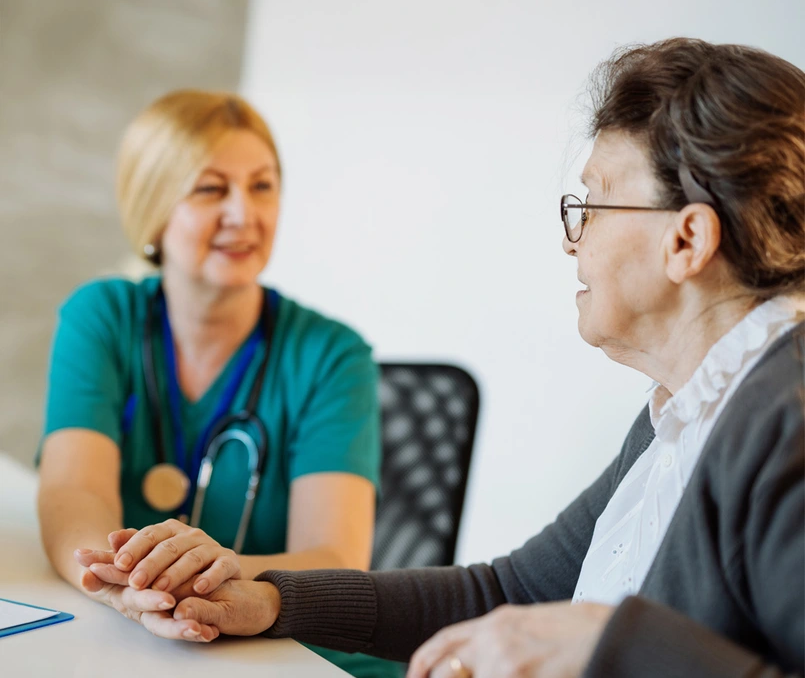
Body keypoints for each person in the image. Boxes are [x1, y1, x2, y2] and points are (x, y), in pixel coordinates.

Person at [85, 38, 804, 677]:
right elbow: (509, 591)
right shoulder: (680, 414)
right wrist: (269, 598)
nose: (570, 240)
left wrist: (604, 644)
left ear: (685, 242)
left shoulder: (785, 423)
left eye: (591, 206)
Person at [37, 89, 402, 678]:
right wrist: (122, 588)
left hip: (292, 655)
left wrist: (206, 576)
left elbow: (336, 559)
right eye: (211, 189)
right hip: (139, 644)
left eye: (262, 186)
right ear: (152, 207)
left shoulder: (332, 355)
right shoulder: (100, 318)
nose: (244, 213)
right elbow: (70, 497)